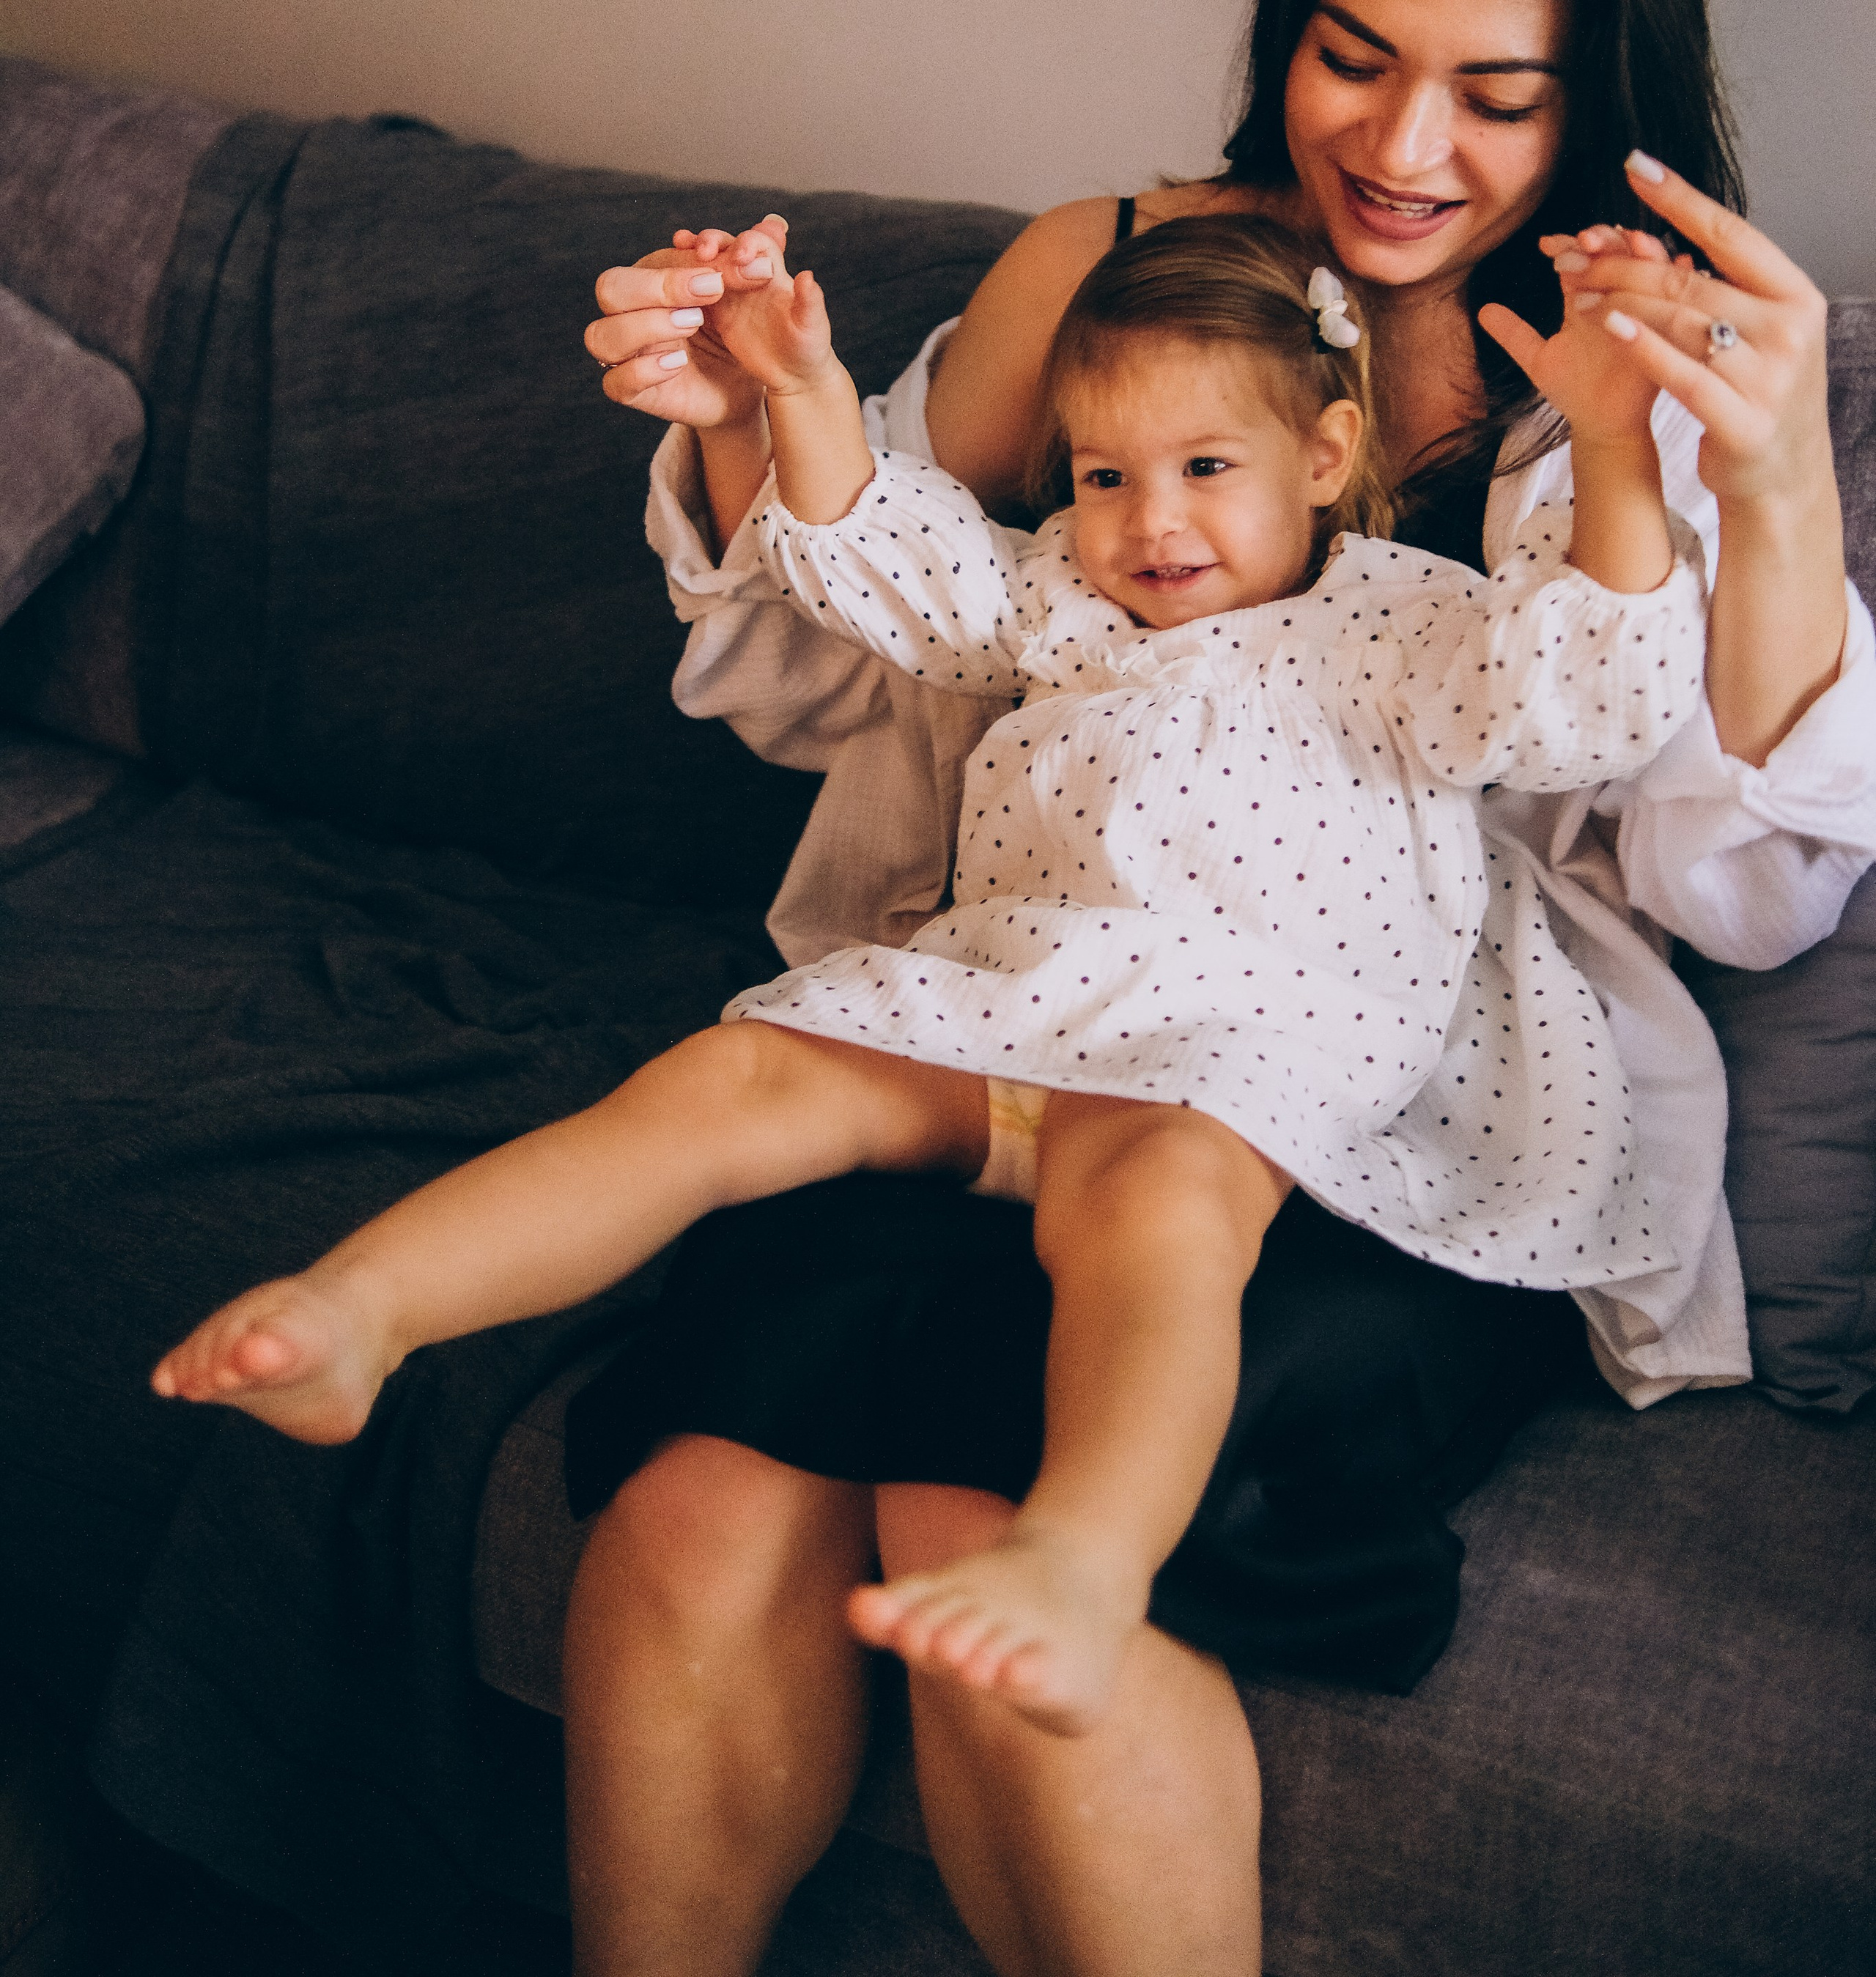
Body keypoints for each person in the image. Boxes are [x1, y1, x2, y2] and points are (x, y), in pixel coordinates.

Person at [562, 0, 1875, 1977]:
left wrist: (1775, 498)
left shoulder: (1635, 378)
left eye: (1500, 92)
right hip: (1044, 1032)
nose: (1404, 144)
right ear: (1287, 24)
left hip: (1406, 1127)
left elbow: (1745, 894)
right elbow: (851, 689)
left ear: (1598, 96)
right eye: (1354, 59)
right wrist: (736, 450)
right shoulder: (1117, 272)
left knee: (990, 1494)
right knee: (687, 1513)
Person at [147, 213, 1707, 1756]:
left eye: (1205, 468)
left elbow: (1583, 687)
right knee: (730, 1078)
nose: (1149, 521)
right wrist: (797, 387)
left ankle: (1085, 1561)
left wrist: (1616, 443)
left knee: (1150, 1207)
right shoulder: (1055, 599)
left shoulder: (1401, 623)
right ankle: (363, 1311)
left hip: (1237, 1045)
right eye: (1105, 476)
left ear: (1322, 453)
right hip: (1003, 1005)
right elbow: (889, 560)